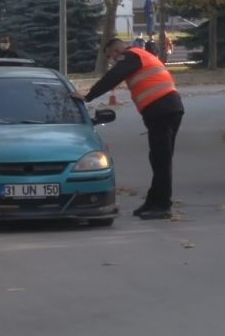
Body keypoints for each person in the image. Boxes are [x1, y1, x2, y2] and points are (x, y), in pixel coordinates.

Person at [75, 38, 184, 220]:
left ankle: (163, 206)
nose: (112, 61)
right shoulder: (140, 55)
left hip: (162, 110)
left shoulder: (130, 56)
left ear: (117, 52)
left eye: (111, 57)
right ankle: (153, 201)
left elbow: (113, 77)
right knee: (158, 158)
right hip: (166, 109)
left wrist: (88, 96)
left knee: (161, 159)